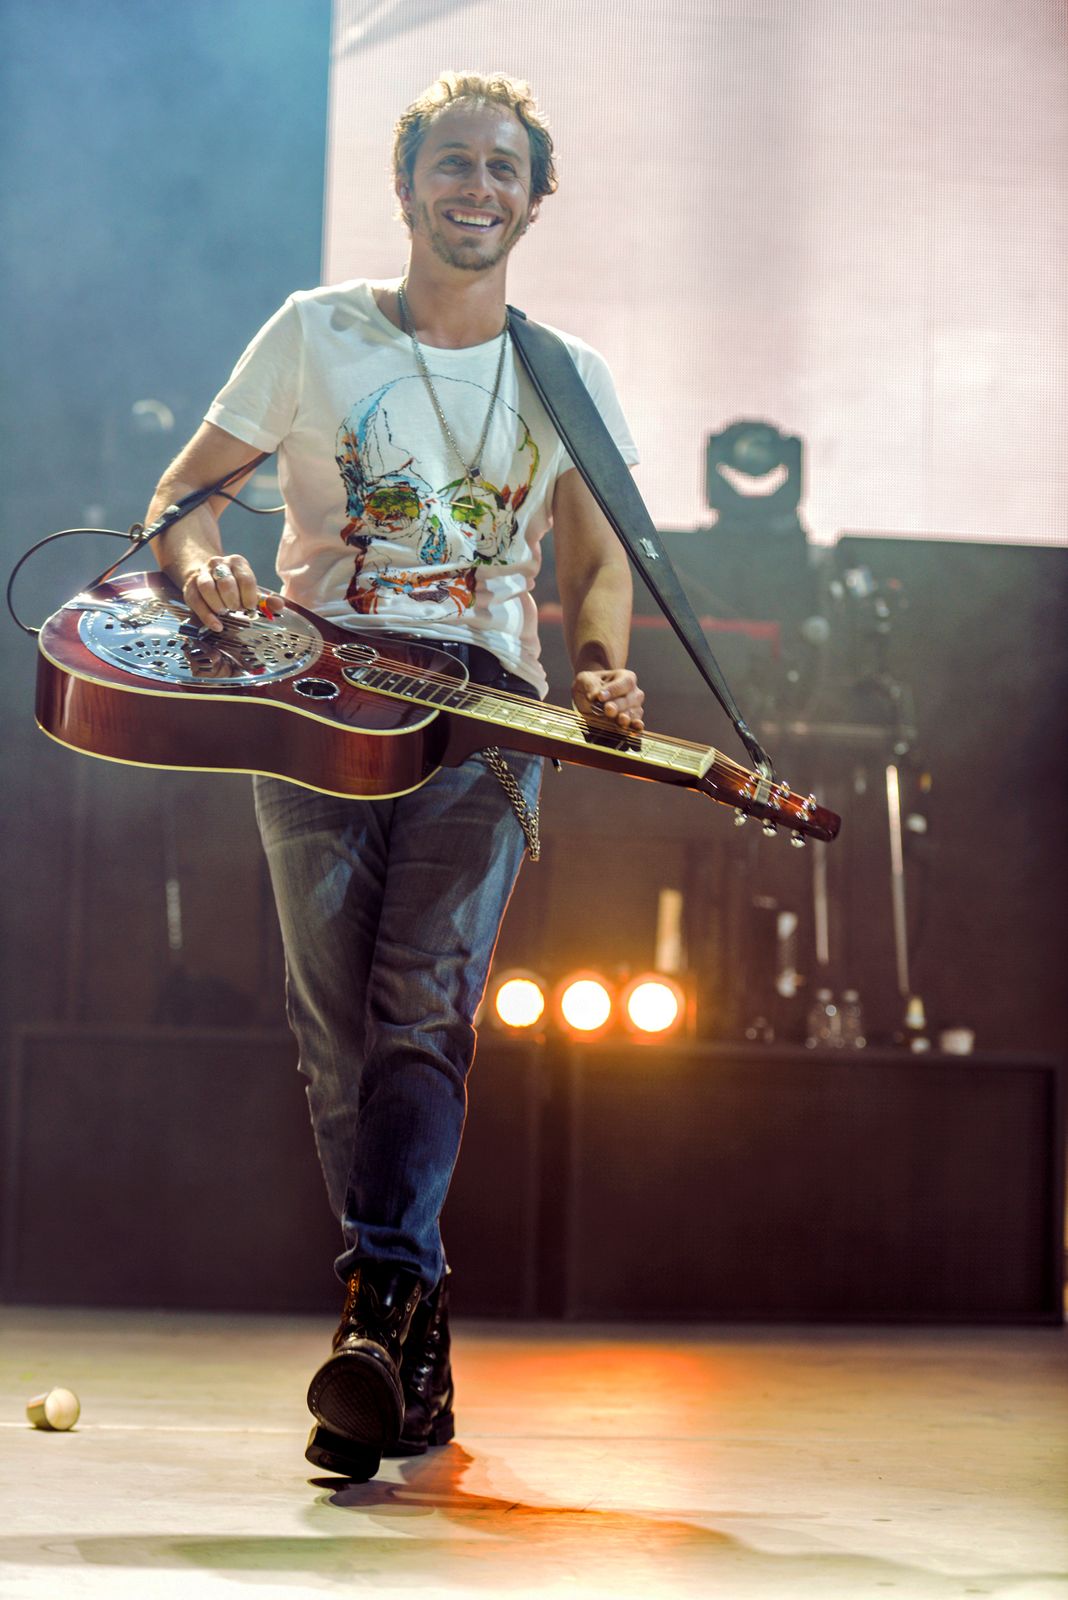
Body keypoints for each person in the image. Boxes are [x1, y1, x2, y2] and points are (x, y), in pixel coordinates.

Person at [146, 71, 646, 1481]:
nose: (476, 186)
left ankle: (372, 1318)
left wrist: (599, 664)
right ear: (407, 182)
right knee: (337, 1038)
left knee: (422, 1006)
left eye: (502, 167)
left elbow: (598, 560)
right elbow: (181, 501)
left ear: (535, 198)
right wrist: (202, 566)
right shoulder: (315, 331)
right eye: (452, 162)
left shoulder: (569, 376)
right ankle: (410, 1345)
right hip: (315, 699)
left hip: (487, 714)